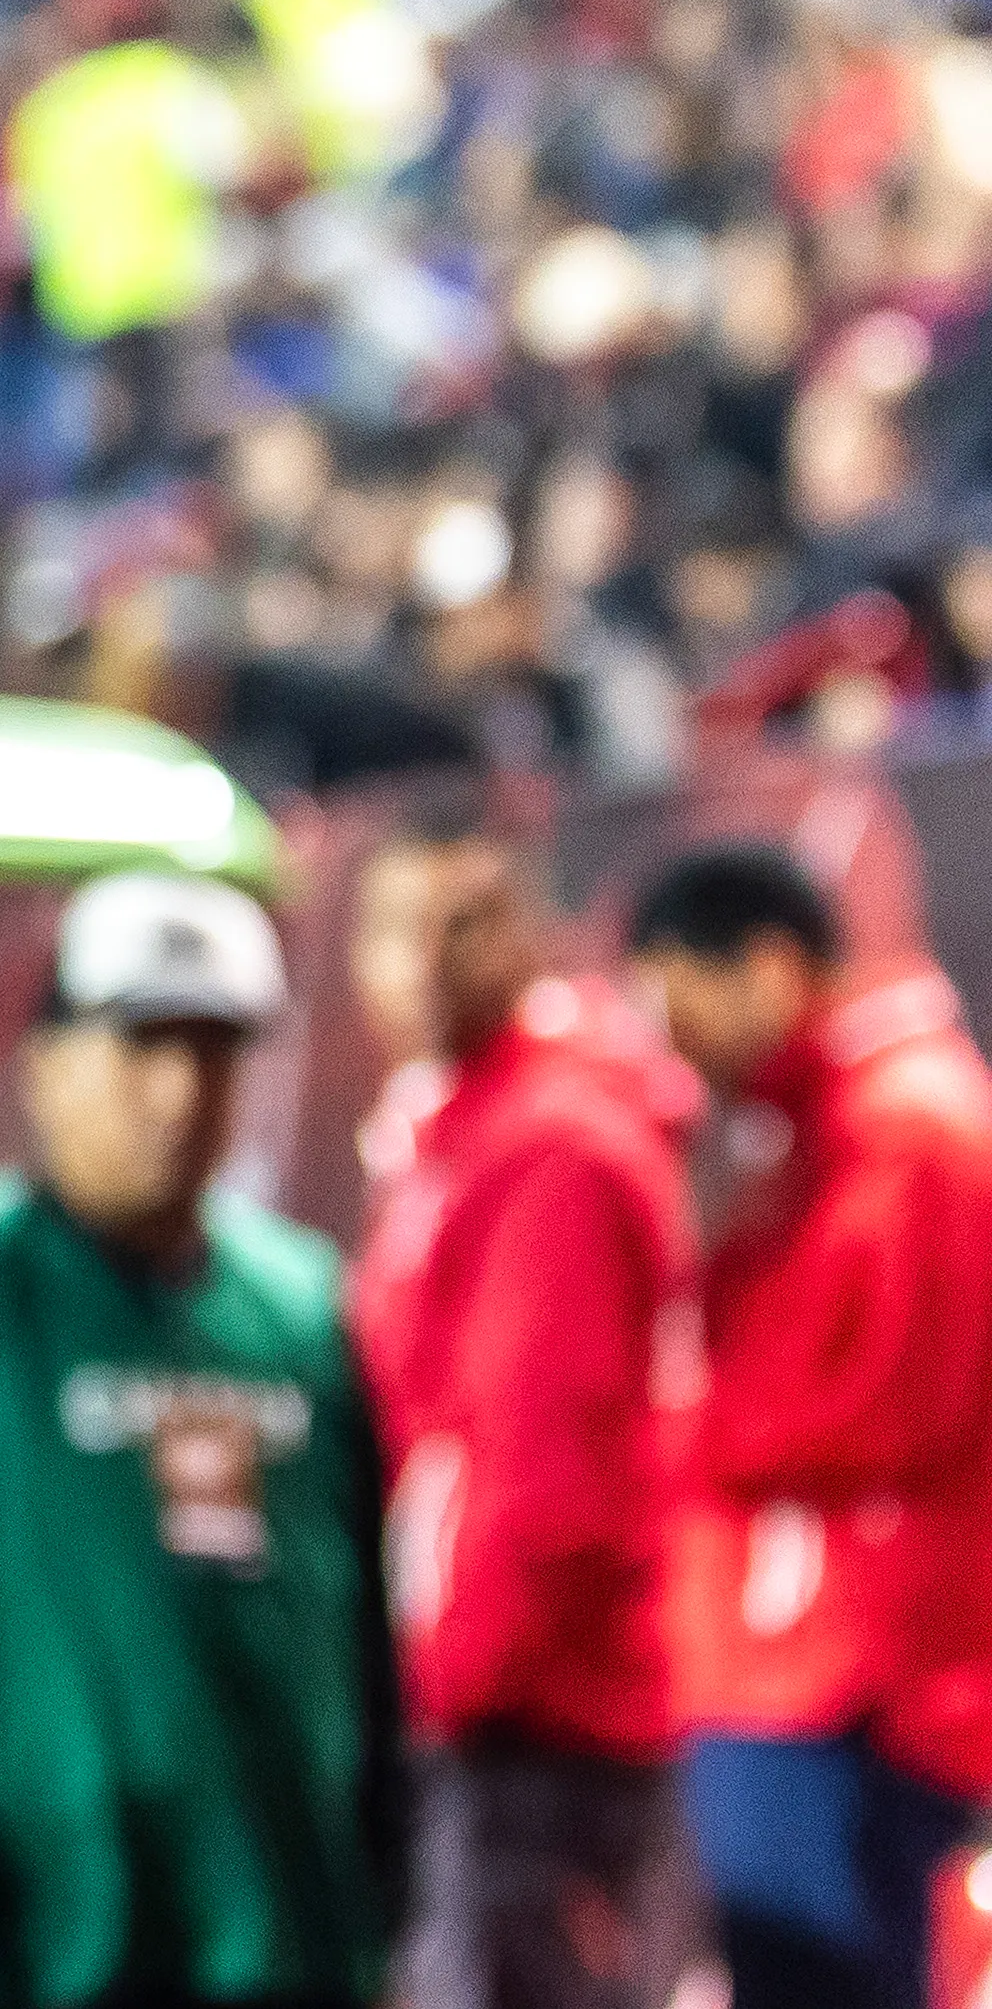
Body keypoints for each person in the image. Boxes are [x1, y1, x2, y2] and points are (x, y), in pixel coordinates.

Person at [0, 871, 401, 2009]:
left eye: (214, 1050)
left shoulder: (301, 1306)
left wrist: (383, 1880)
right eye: (141, 1045)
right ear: (45, 1067)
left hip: (285, 1926)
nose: (179, 1092)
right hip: (32, 1933)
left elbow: (361, 1619)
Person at [625, 844, 992, 2009]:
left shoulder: (911, 1132)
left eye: (676, 995)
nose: (665, 1038)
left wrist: (680, 1423)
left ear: (770, 970)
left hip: (847, 1679)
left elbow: (891, 1401)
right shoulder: (818, 1127)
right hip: (802, 1668)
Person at [347, 801, 696, 2009]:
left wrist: (439, 1694)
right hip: (492, 1701)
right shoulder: (453, 1134)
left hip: (534, 1720)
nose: (431, 956)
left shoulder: (551, 1147)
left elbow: (542, 1474)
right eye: (398, 925)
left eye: (471, 920)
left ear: (536, 938)